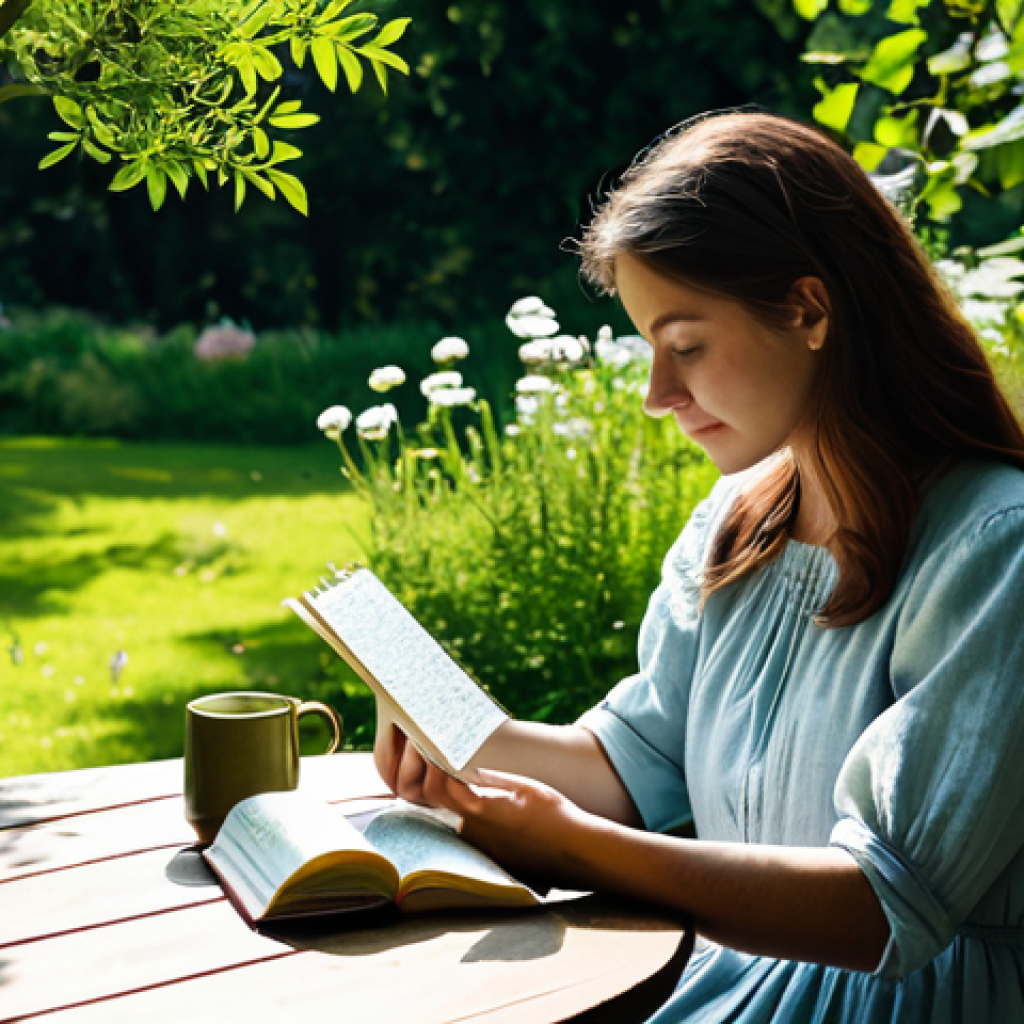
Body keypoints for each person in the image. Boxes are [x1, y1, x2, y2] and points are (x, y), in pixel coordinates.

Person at [374, 111, 1024, 1022]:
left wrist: (580, 852)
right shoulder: (736, 522)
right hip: (731, 983)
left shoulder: (995, 545)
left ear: (809, 309)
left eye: (685, 346)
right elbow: (629, 762)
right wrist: (457, 737)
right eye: (649, 348)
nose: (656, 395)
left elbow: (883, 907)